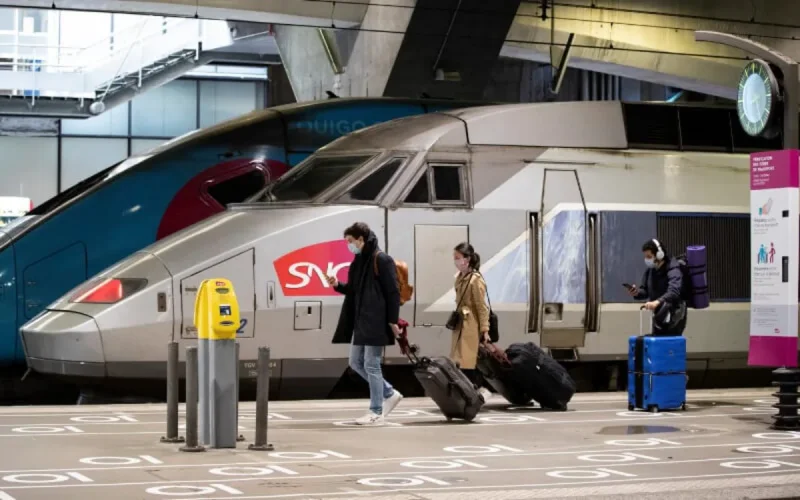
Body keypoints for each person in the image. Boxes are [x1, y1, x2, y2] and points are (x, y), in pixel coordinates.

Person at [327, 222, 404, 426]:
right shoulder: (359, 262)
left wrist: (393, 320)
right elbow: (353, 291)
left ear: (361, 239)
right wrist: (337, 285)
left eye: (350, 241)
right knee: (355, 362)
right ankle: (389, 393)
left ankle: (376, 411)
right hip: (361, 320)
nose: (349, 246)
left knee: (371, 364)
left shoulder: (382, 259)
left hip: (376, 321)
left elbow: (393, 292)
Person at [450, 242, 493, 400]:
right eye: (454, 258)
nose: (455, 261)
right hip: (461, 324)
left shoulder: (476, 280)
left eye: (458, 258)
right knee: (459, 362)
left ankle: (480, 392)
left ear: (467, 259)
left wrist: (485, 330)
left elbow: (481, 307)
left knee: (468, 362)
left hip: (471, 326)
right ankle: (470, 394)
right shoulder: (460, 277)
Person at [627, 239, 687, 336]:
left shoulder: (673, 268)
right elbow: (645, 291)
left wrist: (657, 302)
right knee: (657, 342)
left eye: (649, 256)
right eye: (645, 257)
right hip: (660, 314)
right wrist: (637, 292)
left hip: (674, 315)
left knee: (668, 345)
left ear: (659, 255)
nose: (647, 259)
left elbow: (674, 291)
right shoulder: (650, 271)